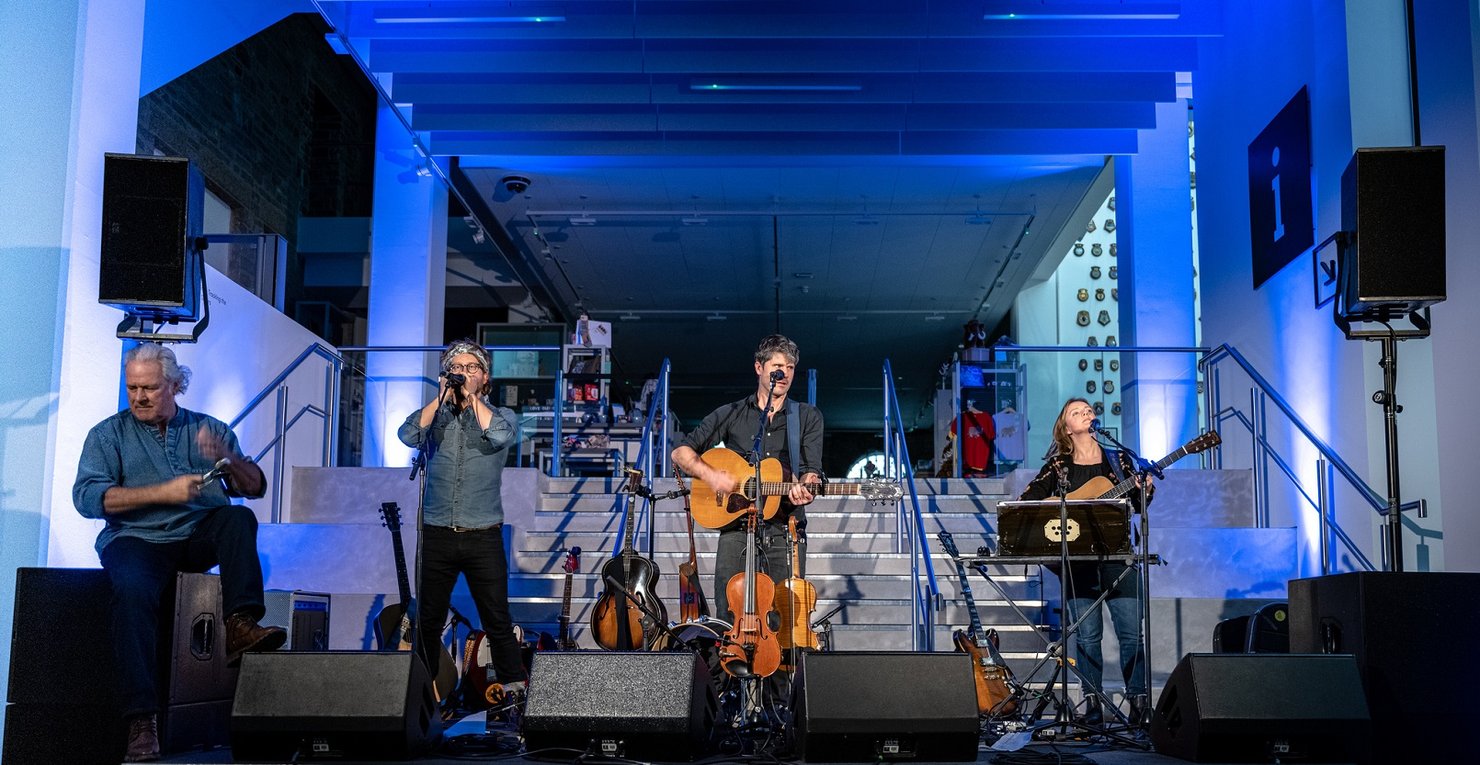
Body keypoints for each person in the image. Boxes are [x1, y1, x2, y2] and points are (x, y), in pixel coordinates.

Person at [73, 343, 285, 763]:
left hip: (194, 534)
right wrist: (162, 492)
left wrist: (228, 458)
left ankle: (241, 624)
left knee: (238, 520)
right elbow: (86, 498)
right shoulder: (107, 434)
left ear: (175, 386)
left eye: (149, 388)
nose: (139, 397)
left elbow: (254, 487)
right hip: (136, 539)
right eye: (133, 388)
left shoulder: (208, 428)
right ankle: (141, 721)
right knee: (132, 591)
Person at [398, 339, 526, 702]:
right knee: (428, 622)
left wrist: (472, 399)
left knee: (498, 622)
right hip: (437, 533)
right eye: (458, 367)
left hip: (482, 535)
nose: (464, 373)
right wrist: (440, 398)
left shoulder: (501, 416)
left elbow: (501, 436)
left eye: (473, 368)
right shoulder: (435, 417)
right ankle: (417, 699)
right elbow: (406, 434)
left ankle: (514, 699)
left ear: (485, 378)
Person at [1017, 397, 1152, 727]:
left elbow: (1136, 502)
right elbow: (1027, 501)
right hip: (1078, 562)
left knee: (1132, 633)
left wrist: (1145, 489)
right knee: (1088, 636)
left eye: (1089, 410)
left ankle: (1138, 702)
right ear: (1066, 427)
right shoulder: (1059, 466)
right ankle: (1092, 702)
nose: (1087, 414)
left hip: (1119, 555)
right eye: (1077, 412)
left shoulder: (1118, 460)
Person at [670, 334, 824, 624]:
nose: (785, 374)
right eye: (778, 366)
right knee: (728, 615)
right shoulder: (733, 412)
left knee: (781, 621)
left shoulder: (807, 416)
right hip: (736, 527)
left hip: (784, 530)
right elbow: (680, 453)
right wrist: (710, 475)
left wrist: (807, 485)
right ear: (759, 368)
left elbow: (811, 470)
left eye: (790, 368)